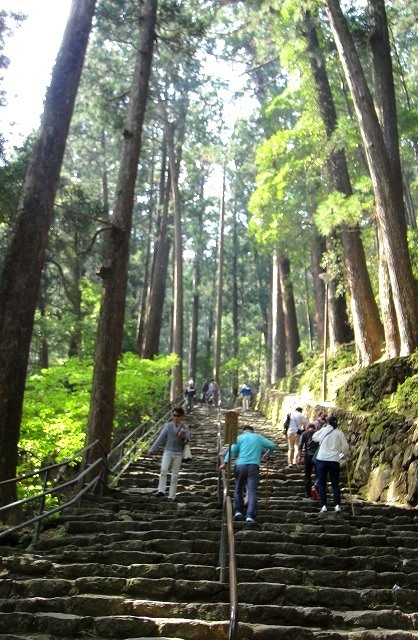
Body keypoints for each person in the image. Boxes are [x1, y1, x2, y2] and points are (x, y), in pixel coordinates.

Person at [220, 425, 275, 523]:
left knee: (238, 488)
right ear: (252, 431)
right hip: (254, 466)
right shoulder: (259, 437)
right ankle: (250, 515)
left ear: (243, 431)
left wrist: (225, 463)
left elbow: (232, 450)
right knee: (252, 491)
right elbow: (272, 445)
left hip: (241, 465)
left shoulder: (239, 438)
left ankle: (238, 511)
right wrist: (268, 454)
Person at [148, 406, 190, 501]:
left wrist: (183, 437)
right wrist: (152, 449)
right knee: (163, 469)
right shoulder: (168, 426)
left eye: (178, 415)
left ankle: (172, 495)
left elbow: (187, 441)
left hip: (178, 453)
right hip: (168, 450)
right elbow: (160, 438)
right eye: (174, 415)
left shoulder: (185, 427)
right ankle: (161, 490)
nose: (175, 417)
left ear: (181, 416)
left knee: (175, 474)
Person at [312, 415, 349, 513]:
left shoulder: (324, 430)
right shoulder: (339, 433)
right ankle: (337, 505)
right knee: (335, 484)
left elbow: (314, 437)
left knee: (322, 483)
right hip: (334, 460)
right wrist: (345, 454)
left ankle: (324, 506)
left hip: (322, 459)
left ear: (327, 422)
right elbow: (345, 447)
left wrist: (323, 429)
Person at [296, 423, 319, 500]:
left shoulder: (304, 433)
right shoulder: (318, 433)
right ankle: (316, 488)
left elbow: (300, 446)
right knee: (319, 475)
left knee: (307, 475)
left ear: (306, 428)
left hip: (308, 455)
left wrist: (299, 456)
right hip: (317, 455)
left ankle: (308, 494)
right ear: (314, 427)